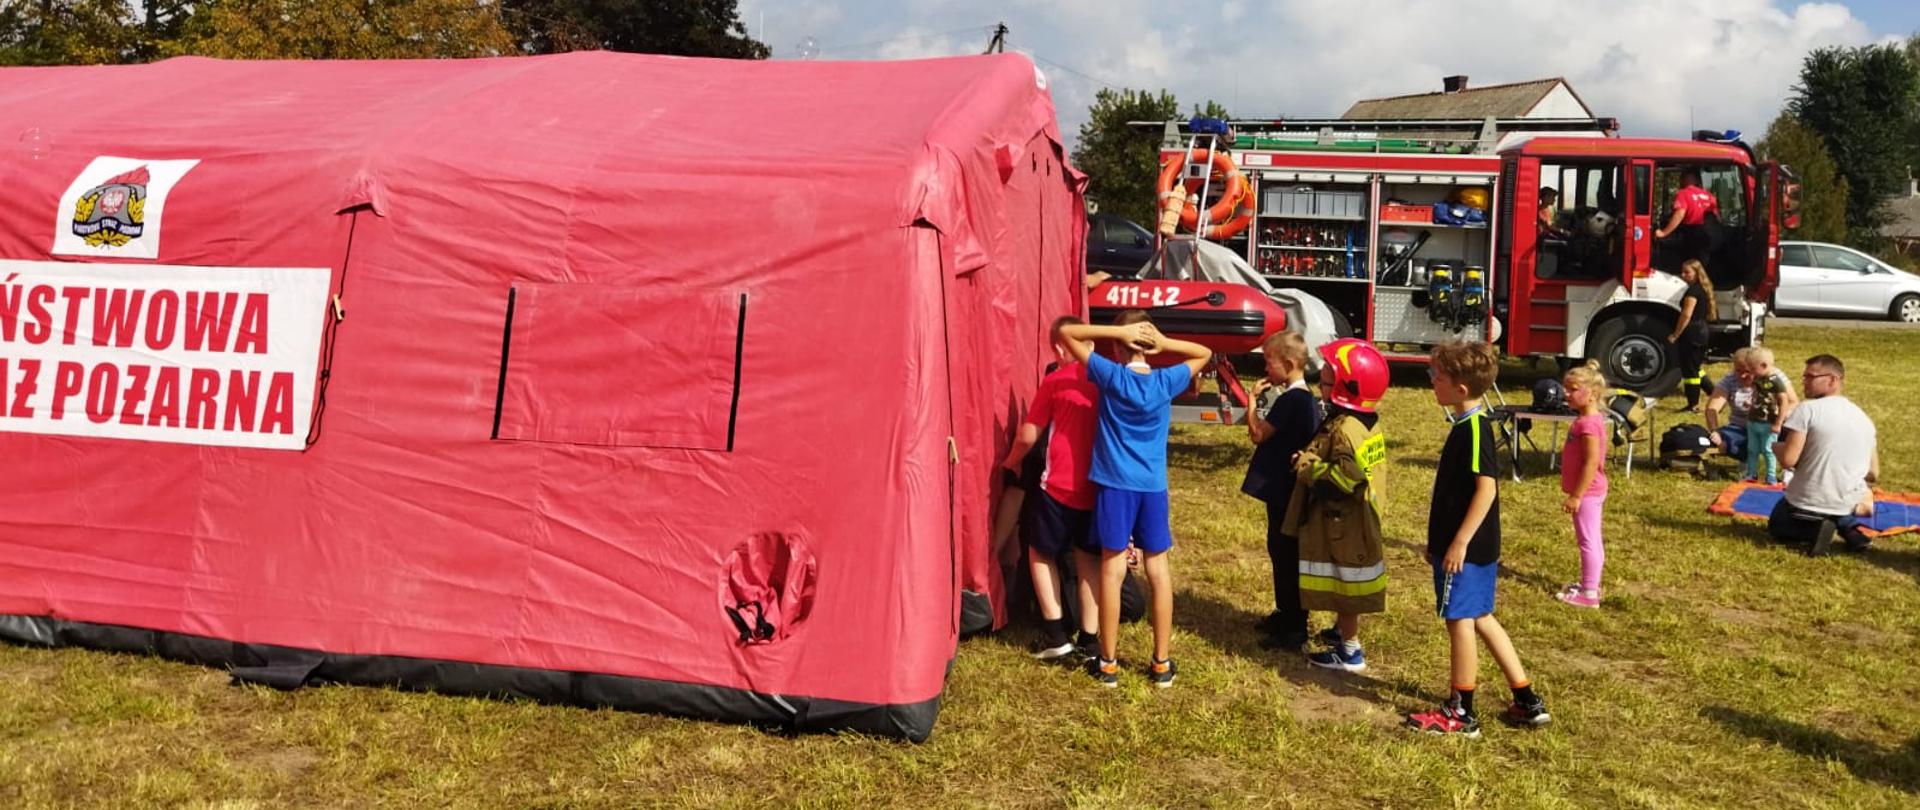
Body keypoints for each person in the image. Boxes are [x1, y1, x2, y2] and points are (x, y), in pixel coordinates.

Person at [1058, 312, 1211, 688]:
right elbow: (1204, 353)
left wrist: (1120, 331)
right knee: (1158, 571)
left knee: (1112, 569)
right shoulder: (1165, 380)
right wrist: (1165, 343)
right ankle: (1161, 662)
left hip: (1114, 486)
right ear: (1152, 347)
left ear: (1116, 345)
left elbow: (1065, 332)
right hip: (1152, 486)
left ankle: (1107, 662)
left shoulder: (1111, 375)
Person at [1406, 340, 1549, 737]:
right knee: (1482, 616)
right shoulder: (1468, 424)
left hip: (1467, 550)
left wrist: (1458, 543)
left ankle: (1461, 712)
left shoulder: (1474, 429)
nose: (1432, 382)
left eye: (1437, 377)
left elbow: (1486, 488)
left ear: (1461, 388)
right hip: (1475, 547)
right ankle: (1526, 699)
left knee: (1460, 622)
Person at [1000, 316, 1102, 661]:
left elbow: (1029, 433)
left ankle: (1056, 635)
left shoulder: (1056, 381)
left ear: (1060, 347)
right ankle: (1090, 640)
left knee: (1040, 553)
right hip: (1098, 485)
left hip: (1059, 485)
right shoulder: (1111, 380)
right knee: (1089, 560)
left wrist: (1012, 460)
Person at [1287, 338, 1389, 674]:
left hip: (1343, 525)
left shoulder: (1344, 430)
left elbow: (1345, 482)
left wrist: (1306, 465)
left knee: (1346, 586)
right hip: (1357, 523)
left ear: (1347, 387)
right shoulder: (1364, 421)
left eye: (1327, 378)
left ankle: (1350, 650)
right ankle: (1341, 630)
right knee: (1344, 582)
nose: (1320, 382)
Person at [1241, 330, 1321, 650]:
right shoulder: (1304, 398)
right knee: (1282, 551)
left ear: (1288, 364)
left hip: (1284, 492)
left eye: (1269, 363)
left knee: (1285, 553)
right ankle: (1286, 613)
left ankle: (1294, 625)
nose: (1266, 369)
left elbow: (1258, 434)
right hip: (1290, 491)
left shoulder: (1292, 399)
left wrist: (1250, 401)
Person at [1768, 355, 1881, 556]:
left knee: (1777, 526)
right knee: (1837, 500)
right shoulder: (1864, 419)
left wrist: (1775, 446)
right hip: (1847, 500)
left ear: (1832, 380)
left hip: (1807, 501)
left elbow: (1788, 460)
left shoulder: (1806, 410)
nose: (1804, 382)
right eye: (1804, 377)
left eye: (1811, 377)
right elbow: (1873, 473)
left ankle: (1816, 528)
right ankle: (1847, 526)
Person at [1556, 362, 1610, 609]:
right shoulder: (1588, 419)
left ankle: (1589, 594)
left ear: (1592, 393)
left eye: (1573, 389)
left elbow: (1590, 463)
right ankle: (1591, 583)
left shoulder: (1587, 425)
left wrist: (1576, 496)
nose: (1566, 394)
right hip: (1591, 491)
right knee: (1593, 539)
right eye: (1565, 388)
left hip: (1587, 492)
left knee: (1587, 541)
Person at [1705, 347, 1796, 463]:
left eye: (1747, 371)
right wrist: (1715, 430)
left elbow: (1793, 402)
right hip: (1742, 426)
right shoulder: (1729, 380)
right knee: (1724, 439)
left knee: (1795, 434)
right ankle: (1746, 464)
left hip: (1772, 426)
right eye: (1738, 371)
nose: (1742, 376)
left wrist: (1778, 415)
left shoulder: (1774, 377)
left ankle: (1789, 466)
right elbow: (1712, 408)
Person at [1665, 259, 1716, 411]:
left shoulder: (1693, 291)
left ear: (1696, 274)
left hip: (1692, 333)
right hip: (1701, 331)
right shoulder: (1702, 289)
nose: (1683, 275)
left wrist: (1675, 334)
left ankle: (1693, 404)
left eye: (1687, 272)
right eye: (1683, 271)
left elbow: (1686, 314)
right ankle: (1714, 393)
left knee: (1690, 371)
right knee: (1695, 367)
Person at [1654, 168, 1720, 271]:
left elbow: (1679, 214)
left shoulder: (1683, 193)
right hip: (1707, 237)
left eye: (1682, 177)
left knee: (1688, 266)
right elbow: (1716, 218)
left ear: (1684, 179)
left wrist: (1663, 233)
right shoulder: (1709, 196)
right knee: (1702, 266)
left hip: (1691, 235)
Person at [1744, 364, 1790, 485]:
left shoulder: (1776, 382)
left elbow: (1784, 402)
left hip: (1768, 423)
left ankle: (1771, 476)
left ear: (1763, 365)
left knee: (1768, 450)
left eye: (1752, 369)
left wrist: (1778, 423)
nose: (1750, 373)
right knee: (1752, 449)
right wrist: (1751, 403)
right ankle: (1751, 474)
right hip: (1753, 421)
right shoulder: (1758, 379)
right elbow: (1756, 393)